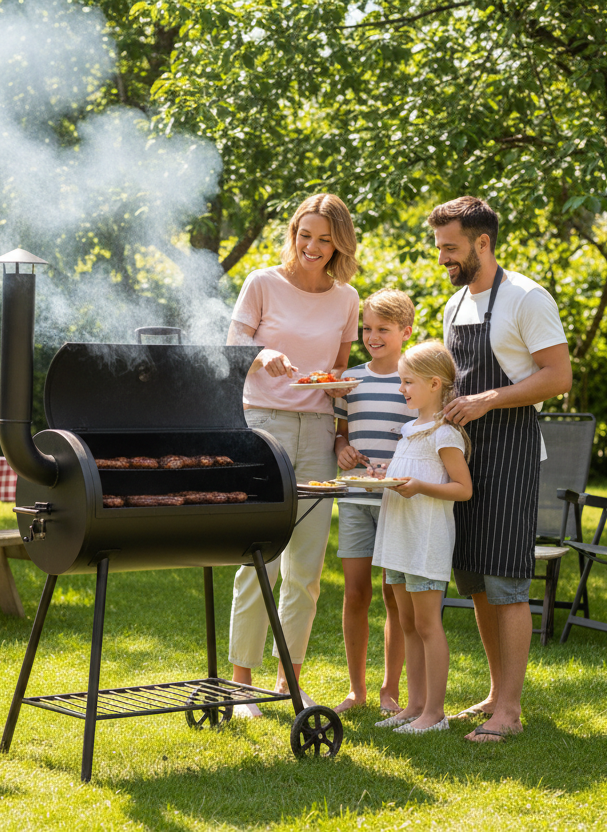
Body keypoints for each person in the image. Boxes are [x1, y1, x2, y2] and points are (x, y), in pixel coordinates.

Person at [431, 196, 572, 743]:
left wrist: (487, 399)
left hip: (511, 452)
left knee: (507, 580)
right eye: (439, 247)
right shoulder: (455, 304)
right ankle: (494, 694)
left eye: (450, 247)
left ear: (482, 242)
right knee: (476, 580)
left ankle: (509, 712)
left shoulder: (526, 297)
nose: (443, 258)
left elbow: (557, 376)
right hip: (463, 454)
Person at [226, 193, 361, 716]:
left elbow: (340, 372)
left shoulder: (346, 299)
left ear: (339, 244)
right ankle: (242, 684)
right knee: (258, 557)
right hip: (265, 426)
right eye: (306, 235)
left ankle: (289, 681)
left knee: (305, 568)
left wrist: (339, 401)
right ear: (294, 234)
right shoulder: (262, 282)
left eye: (325, 239)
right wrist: (263, 354)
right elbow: (234, 348)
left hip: (319, 432)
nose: (313, 246)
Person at [370, 341, 472, 734]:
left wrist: (420, 487)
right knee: (407, 624)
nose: (402, 389)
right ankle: (413, 706)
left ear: (434, 383)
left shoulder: (444, 434)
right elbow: (409, 474)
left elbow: (463, 489)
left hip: (425, 542)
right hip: (399, 538)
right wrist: (386, 476)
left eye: (408, 381)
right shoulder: (409, 430)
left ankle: (435, 713)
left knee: (428, 625)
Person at [331, 288, 416, 715]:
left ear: (406, 331)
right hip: (354, 496)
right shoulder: (350, 379)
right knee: (355, 593)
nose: (373, 337)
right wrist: (341, 448)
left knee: (393, 594)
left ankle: (390, 690)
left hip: (396, 500)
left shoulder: (414, 380)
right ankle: (356, 689)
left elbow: (424, 435)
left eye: (384, 329)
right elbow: (341, 432)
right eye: (367, 328)